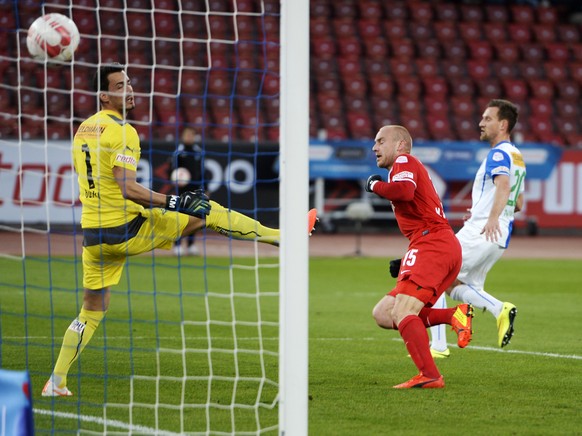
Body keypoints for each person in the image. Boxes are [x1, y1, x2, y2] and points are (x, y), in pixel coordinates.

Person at [42, 63, 318, 397]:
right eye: (119, 86)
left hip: (93, 236)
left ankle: (56, 382)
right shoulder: (123, 131)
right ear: (103, 95)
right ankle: (283, 239)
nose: (128, 89)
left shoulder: (84, 129)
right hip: (125, 228)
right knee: (206, 210)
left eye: (129, 83)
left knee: (92, 308)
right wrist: (174, 202)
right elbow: (128, 188)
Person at [390, 99, 524, 355]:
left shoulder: (498, 153)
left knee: (435, 273)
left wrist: (490, 216)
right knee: (456, 285)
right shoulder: (517, 157)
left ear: (503, 124)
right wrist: (489, 210)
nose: (481, 123)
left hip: (485, 229)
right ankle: (499, 309)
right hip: (500, 236)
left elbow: (504, 187)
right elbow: (518, 202)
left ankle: (439, 345)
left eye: (488, 119)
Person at [366, 125, 474, 389]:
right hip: (434, 244)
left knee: (403, 311)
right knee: (384, 313)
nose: (374, 148)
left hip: (433, 243)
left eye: (381, 141)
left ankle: (430, 375)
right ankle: (453, 315)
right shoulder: (404, 167)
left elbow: (403, 192)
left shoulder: (404, 160)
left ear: (400, 145)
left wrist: (374, 185)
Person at [169, 126, 203, 256]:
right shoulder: (179, 152)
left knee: (194, 217)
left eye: (191, 135)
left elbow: (202, 172)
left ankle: (191, 245)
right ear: (183, 136)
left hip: (195, 190)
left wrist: (206, 188)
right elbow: (172, 171)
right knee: (180, 218)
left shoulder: (198, 151)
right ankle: (177, 245)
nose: (189, 137)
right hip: (181, 191)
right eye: (187, 135)